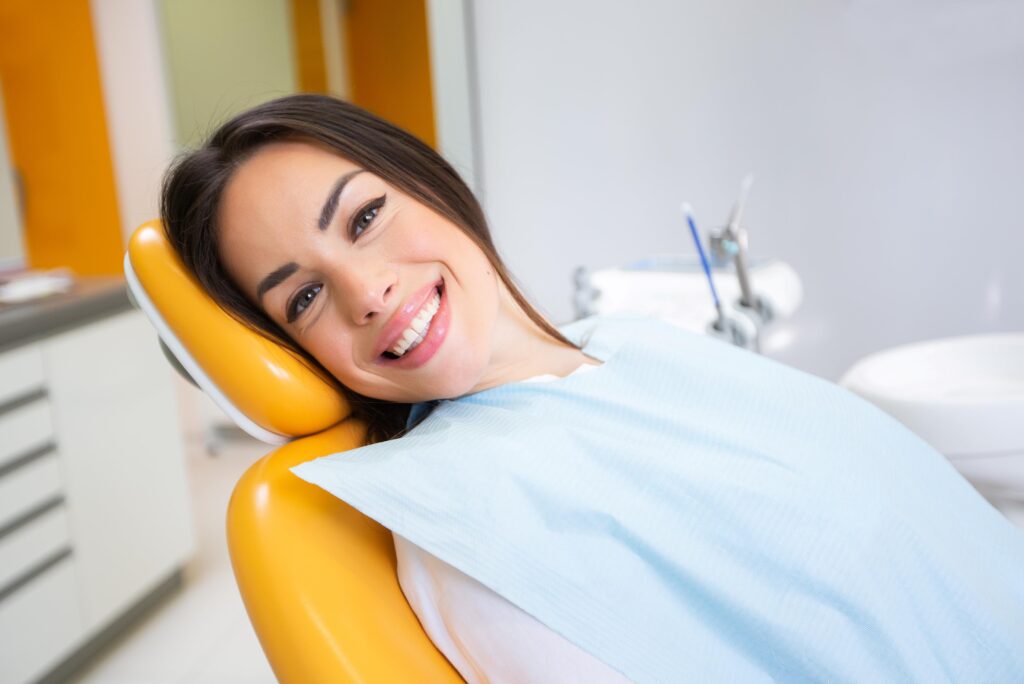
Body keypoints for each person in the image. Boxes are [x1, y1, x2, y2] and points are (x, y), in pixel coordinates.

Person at [161, 94, 1024, 683]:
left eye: (363, 217)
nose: (367, 291)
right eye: (304, 297)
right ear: (292, 349)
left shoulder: (627, 344)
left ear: (425, 177)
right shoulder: (467, 521)